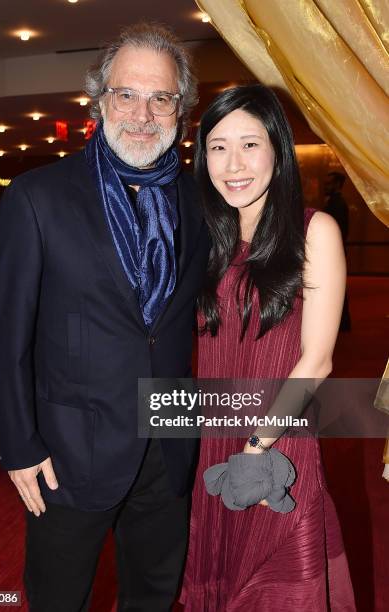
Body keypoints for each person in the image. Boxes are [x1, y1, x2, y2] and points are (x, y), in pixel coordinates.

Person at [0, 23, 209, 612]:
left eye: (161, 97)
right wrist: (18, 445)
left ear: (180, 108)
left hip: (169, 443)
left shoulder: (197, 199)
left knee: (154, 596)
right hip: (67, 453)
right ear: (99, 99)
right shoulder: (38, 196)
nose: (143, 113)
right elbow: (6, 338)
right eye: (126, 94)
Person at [181, 85, 356, 610]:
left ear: (278, 150)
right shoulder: (206, 240)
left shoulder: (313, 230)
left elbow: (317, 360)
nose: (232, 163)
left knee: (277, 585)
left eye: (250, 144)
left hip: (275, 442)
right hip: (213, 438)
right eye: (217, 146)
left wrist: (257, 448)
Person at [324, 171, 351, 330]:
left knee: (336, 287)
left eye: (330, 182)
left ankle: (341, 323)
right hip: (335, 251)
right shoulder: (334, 201)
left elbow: (340, 230)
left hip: (334, 252)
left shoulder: (338, 203)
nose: (326, 185)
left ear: (338, 184)